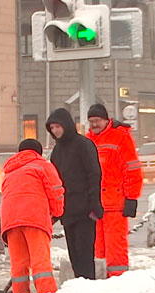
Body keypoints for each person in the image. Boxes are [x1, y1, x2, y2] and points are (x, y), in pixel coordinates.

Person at [1, 139, 64, 293]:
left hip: (11, 221)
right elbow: (55, 190)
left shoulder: (10, 170)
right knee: (40, 261)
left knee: (19, 264)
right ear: (38, 152)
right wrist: (57, 212)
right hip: (34, 218)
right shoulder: (42, 165)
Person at [86, 103, 143, 278]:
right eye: (91, 121)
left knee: (116, 246)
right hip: (95, 204)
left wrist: (132, 197)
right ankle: (103, 279)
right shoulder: (88, 140)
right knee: (98, 246)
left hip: (116, 203)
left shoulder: (120, 137)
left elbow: (132, 169)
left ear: (105, 120)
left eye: (97, 120)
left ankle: (119, 281)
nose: (94, 124)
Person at [46, 108, 103, 280]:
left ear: (66, 126)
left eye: (58, 127)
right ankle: (79, 286)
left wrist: (95, 205)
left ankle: (88, 286)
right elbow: (55, 182)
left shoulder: (84, 145)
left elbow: (94, 175)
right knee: (75, 256)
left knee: (85, 253)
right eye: (52, 128)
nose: (55, 131)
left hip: (86, 210)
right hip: (67, 211)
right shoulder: (57, 151)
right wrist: (55, 211)